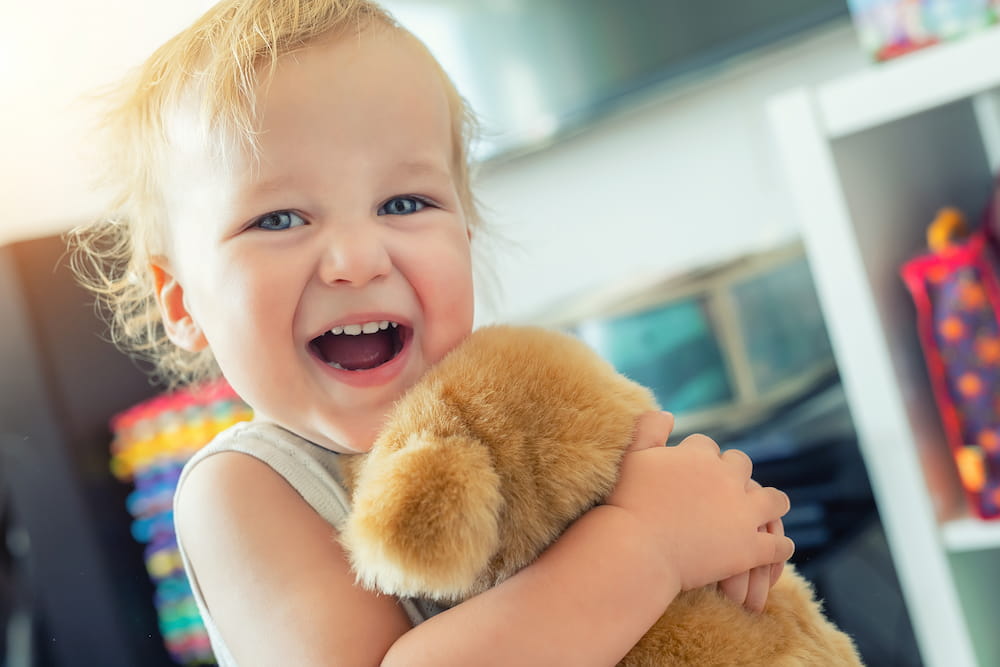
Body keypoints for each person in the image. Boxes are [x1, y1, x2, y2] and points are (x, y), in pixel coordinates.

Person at [71, 0, 795, 664]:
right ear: (182, 299)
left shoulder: (508, 410)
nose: (358, 259)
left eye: (404, 202)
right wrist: (647, 545)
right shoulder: (243, 489)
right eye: (280, 219)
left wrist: (716, 529)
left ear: (466, 232)